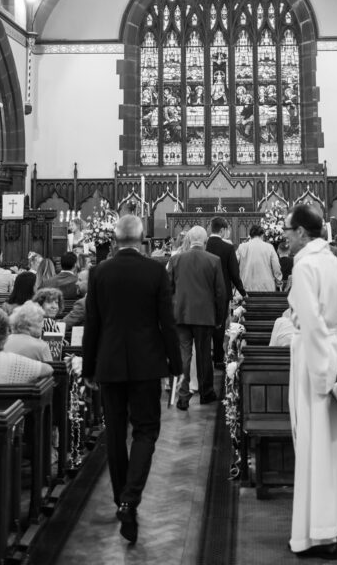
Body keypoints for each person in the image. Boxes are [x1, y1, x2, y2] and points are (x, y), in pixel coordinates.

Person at [82, 214, 182, 546]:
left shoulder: (99, 272)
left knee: (114, 433)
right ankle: (130, 498)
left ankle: (120, 498)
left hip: (109, 363)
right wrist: (176, 364)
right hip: (147, 364)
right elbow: (167, 322)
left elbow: (93, 323)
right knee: (146, 430)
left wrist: (88, 368)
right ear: (142, 240)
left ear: (114, 239)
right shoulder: (155, 271)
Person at [283, 203, 337, 559]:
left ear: (301, 232)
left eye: (287, 230)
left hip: (316, 363)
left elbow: (312, 323)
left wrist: (324, 373)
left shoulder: (305, 266)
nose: (284, 237)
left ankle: (321, 536)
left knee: (316, 446)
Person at [169, 224, 226, 409]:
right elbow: (220, 293)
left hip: (181, 314)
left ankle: (183, 396)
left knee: (184, 355)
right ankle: (206, 393)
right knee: (203, 355)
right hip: (204, 315)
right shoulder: (213, 260)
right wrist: (219, 318)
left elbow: (168, 289)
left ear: (189, 240)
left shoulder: (176, 259)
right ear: (205, 241)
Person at [205, 217, 246, 367]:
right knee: (220, 325)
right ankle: (217, 358)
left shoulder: (204, 246)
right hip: (222, 293)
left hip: (204, 292)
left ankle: (205, 357)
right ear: (222, 230)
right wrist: (242, 291)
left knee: (205, 325)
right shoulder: (227, 248)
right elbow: (234, 273)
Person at [236, 224, 282, 291]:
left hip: (246, 285)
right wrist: (278, 281)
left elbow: (234, 264)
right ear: (262, 235)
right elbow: (276, 266)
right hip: (266, 286)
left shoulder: (242, 247)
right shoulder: (269, 247)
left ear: (250, 235)